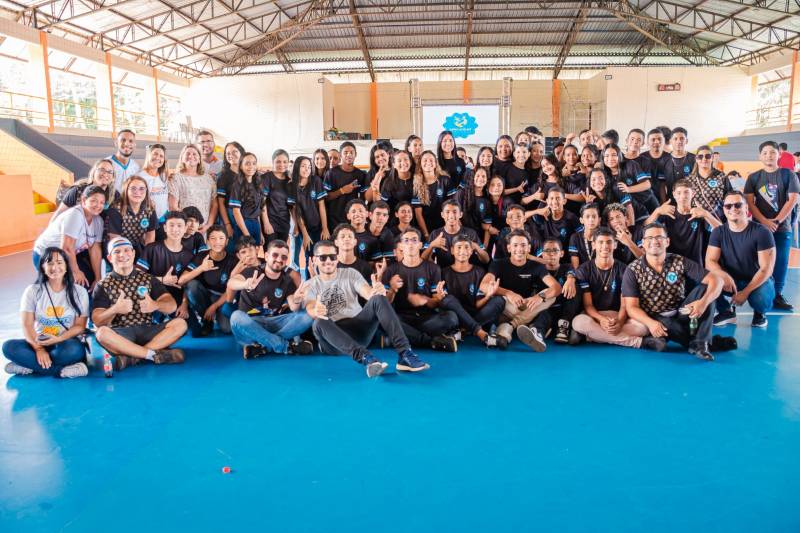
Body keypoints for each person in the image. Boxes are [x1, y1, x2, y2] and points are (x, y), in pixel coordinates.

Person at [305, 240, 429, 377]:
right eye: (323, 257)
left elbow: (367, 292)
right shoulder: (310, 284)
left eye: (332, 257)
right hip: (334, 341)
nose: (328, 261)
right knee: (318, 322)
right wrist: (315, 310)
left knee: (378, 299)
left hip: (359, 331)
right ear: (315, 260)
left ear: (337, 258)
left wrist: (375, 291)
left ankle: (404, 354)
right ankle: (367, 359)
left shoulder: (350, 273)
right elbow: (310, 306)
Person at [621, 222, 725, 361]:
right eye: (649, 238)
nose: (654, 241)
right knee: (669, 325)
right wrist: (650, 323)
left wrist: (703, 303)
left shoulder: (679, 261)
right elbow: (631, 307)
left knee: (706, 289)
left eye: (659, 237)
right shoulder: (632, 270)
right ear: (643, 243)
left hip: (681, 311)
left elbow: (717, 280)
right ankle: (706, 343)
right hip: (655, 316)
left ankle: (701, 344)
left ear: (667, 241)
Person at [92, 237, 187, 371]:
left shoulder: (148, 278)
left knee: (180, 324)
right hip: (122, 335)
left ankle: (132, 357)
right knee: (101, 333)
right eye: (117, 252)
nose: (123, 255)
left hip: (147, 330)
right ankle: (152, 355)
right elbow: (97, 320)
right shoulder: (103, 285)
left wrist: (155, 305)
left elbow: (171, 305)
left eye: (127, 250)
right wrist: (115, 309)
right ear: (109, 258)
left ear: (133, 253)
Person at [3, 247, 90, 378]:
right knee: (8, 347)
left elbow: (80, 326)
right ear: (43, 268)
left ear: (66, 266)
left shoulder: (79, 292)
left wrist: (59, 338)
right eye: (50, 263)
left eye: (59, 262)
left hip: (65, 342)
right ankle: (61, 371)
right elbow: (27, 325)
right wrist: (39, 349)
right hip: (39, 343)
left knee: (74, 350)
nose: (55, 267)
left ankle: (31, 366)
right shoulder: (32, 291)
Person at [571, 228, 654, 350]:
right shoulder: (584, 270)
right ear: (593, 245)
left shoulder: (625, 270)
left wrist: (619, 322)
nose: (605, 246)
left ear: (615, 245)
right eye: (600, 242)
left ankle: (592, 336)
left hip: (617, 315)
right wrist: (601, 319)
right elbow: (588, 305)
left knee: (643, 328)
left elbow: (624, 306)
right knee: (578, 322)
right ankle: (638, 342)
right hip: (594, 316)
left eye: (609, 242)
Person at [229, 239, 313, 358]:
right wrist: (245, 284)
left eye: (284, 257)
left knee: (308, 315)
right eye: (275, 255)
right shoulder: (252, 271)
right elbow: (231, 283)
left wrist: (298, 299)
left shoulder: (287, 280)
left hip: (274, 322)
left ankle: (263, 346)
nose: (279, 259)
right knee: (236, 317)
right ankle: (286, 347)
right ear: (267, 256)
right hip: (251, 324)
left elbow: (294, 307)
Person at [382, 227, 460, 352]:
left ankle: (400, 338)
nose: (410, 243)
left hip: (427, 319)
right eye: (406, 240)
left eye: (414, 240)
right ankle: (430, 341)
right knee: (384, 319)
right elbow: (385, 304)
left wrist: (426, 300)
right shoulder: (391, 270)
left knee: (451, 317)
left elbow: (435, 302)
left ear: (420, 245)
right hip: (402, 318)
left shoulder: (433, 268)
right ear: (401, 246)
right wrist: (392, 290)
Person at [707, 191, 776, 328]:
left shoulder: (762, 232)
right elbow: (710, 261)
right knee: (707, 281)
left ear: (746, 208)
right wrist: (723, 276)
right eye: (728, 206)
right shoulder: (718, 232)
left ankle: (760, 313)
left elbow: (766, 269)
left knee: (761, 297)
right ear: (724, 210)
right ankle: (727, 311)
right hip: (731, 280)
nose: (733, 209)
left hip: (756, 279)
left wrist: (745, 292)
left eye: (738, 205)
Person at [744, 140, 799, 311]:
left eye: (773, 152)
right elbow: (749, 203)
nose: (769, 156)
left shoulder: (789, 175)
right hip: (760, 229)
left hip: (782, 228)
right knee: (761, 263)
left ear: (779, 155)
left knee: (781, 262)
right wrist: (764, 221)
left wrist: (777, 221)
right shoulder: (753, 177)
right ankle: (761, 292)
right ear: (760, 156)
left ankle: (778, 295)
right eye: (765, 153)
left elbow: (793, 199)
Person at [485, 229, 561, 351]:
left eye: (523, 245)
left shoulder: (537, 266)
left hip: (526, 305)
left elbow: (557, 288)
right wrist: (508, 293)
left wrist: (539, 297)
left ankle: (510, 326)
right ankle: (515, 326)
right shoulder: (498, 264)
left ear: (529, 248)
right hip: (506, 306)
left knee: (551, 296)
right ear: (509, 248)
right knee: (500, 302)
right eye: (515, 245)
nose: (519, 249)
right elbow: (484, 285)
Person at [33, 185, 105, 289]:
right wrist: (76, 272)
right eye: (94, 201)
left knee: (90, 280)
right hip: (44, 254)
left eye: (102, 202)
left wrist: (98, 278)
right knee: (76, 284)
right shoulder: (75, 215)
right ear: (84, 200)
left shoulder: (98, 221)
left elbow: (95, 249)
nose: (98, 205)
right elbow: (66, 248)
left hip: (66, 255)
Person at [441, 234, 507, 347]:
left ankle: (463, 330)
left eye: (467, 247)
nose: (463, 251)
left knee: (499, 300)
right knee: (447, 300)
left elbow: (478, 304)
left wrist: (488, 296)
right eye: (459, 247)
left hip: (475, 314)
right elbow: (445, 303)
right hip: (456, 315)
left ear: (471, 251)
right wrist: (440, 296)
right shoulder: (444, 272)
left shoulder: (479, 271)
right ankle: (480, 333)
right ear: (452, 250)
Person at [644, 179, 721, 265]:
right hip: (672, 264)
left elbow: (723, 232)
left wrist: (706, 214)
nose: (683, 196)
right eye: (679, 193)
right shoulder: (667, 212)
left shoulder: (699, 213)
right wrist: (657, 211)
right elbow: (644, 228)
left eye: (686, 192)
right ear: (674, 194)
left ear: (693, 193)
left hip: (695, 264)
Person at [179, 225, 238, 336]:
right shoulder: (201, 257)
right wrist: (201, 268)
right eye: (213, 238)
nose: (217, 242)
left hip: (222, 297)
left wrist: (214, 306)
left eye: (221, 238)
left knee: (227, 329)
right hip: (204, 296)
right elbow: (182, 281)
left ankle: (214, 313)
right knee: (192, 285)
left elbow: (232, 289)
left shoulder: (233, 261)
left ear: (226, 241)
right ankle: (206, 320)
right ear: (208, 241)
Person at [137, 210, 195, 321]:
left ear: (185, 228)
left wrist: (184, 305)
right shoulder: (152, 249)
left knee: (190, 326)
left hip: (177, 301)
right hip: (153, 297)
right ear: (165, 228)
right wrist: (162, 280)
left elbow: (188, 284)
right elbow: (137, 277)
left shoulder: (189, 255)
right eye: (171, 225)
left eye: (179, 225)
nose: (175, 229)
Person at [422, 199, 489, 268]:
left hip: (467, 272)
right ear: (442, 214)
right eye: (447, 212)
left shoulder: (471, 233)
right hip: (444, 273)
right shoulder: (435, 234)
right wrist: (432, 245)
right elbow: (422, 260)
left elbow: (486, 260)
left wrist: (476, 247)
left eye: (455, 212)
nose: (451, 216)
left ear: (460, 214)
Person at [168, 144, 217, 234]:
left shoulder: (208, 179)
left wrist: (208, 225)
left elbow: (214, 204)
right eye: (187, 154)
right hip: (184, 228)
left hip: (204, 229)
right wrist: (188, 226)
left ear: (199, 159)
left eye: (194, 154)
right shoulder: (176, 178)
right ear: (182, 158)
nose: (191, 156)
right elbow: (173, 207)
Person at [293, 155, 330, 276]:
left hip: (318, 226)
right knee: (309, 257)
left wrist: (325, 228)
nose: (307, 169)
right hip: (304, 228)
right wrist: (305, 234)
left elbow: (321, 206)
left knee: (321, 255)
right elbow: (297, 211)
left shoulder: (316, 181)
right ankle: (310, 283)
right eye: (303, 166)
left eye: (309, 166)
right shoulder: (292, 185)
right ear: (297, 167)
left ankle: (323, 281)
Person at [105, 175, 158, 257]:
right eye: (133, 188)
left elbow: (150, 236)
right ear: (126, 190)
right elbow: (115, 239)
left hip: (136, 246)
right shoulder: (116, 209)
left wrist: (146, 257)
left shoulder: (149, 208)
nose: (137, 192)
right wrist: (128, 259)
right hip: (116, 248)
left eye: (142, 188)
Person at [324, 142, 367, 229]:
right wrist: (342, 191)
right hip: (333, 220)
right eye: (345, 152)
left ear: (355, 154)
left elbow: (363, 199)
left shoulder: (360, 174)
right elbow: (325, 197)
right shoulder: (331, 173)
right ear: (340, 155)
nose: (349, 155)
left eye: (351, 152)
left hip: (352, 220)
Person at [228, 152, 266, 246]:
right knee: (243, 252)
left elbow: (257, 210)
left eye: (254, 163)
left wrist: (260, 232)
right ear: (241, 166)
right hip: (243, 225)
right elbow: (236, 212)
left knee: (254, 253)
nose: (251, 166)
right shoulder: (237, 185)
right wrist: (247, 235)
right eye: (247, 163)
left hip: (256, 224)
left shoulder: (257, 184)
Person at [686, 145, 733, 220]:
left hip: (717, 219)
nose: (704, 159)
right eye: (700, 156)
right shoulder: (689, 179)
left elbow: (730, 198)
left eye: (708, 156)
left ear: (712, 158)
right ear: (696, 159)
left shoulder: (721, 176)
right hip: (695, 220)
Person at [412, 150, 451, 239]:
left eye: (431, 160)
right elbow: (418, 214)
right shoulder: (417, 184)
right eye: (425, 160)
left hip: (445, 226)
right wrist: (426, 234)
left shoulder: (445, 180)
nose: (428, 162)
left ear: (436, 163)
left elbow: (452, 206)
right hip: (426, 227)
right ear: (420, 164)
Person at [263, 149, 296, 245]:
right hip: (270, 222)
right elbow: (262, 202)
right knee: (271, 251)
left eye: (285, 162)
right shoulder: (266, 178)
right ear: (273, 162)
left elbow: (291, 207)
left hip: (284, 223)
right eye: (278, 161)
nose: (282, 164)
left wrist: (296, 224)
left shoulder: (289, 181)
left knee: (282, 250)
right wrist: (266, 223)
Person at [215, 141, 245, 237]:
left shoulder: (248, 174)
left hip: (248, 217)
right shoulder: (223, 177)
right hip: (231, 219)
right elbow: (221, 203)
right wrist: (227, 225)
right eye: (228, 153)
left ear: (241, 153)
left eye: (234, 151)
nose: (231, 155)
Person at [661, 127, 696, 201]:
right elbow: (662, 185)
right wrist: (664, 202)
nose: (679, 141)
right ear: (670, 141)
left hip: (690, 201)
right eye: (675, 139)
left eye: (682, 138)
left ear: (686, 141)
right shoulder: (664, 159)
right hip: (670, 201)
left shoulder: (694, 159)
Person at [137, 143, 170, 220]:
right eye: (155, 154)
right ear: (149, 155)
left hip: (164, 218)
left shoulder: (164, 177)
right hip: (146, 218)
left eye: (161, 156)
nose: (158, 158)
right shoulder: (139, 177)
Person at [437, 130, 467, 195]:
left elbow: (464, 181)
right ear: (440, 143)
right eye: (445, 141)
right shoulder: (436, 162)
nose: (448, 143)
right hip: (440, 197)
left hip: (458, 197)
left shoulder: (460, 161)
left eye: (451, 140)